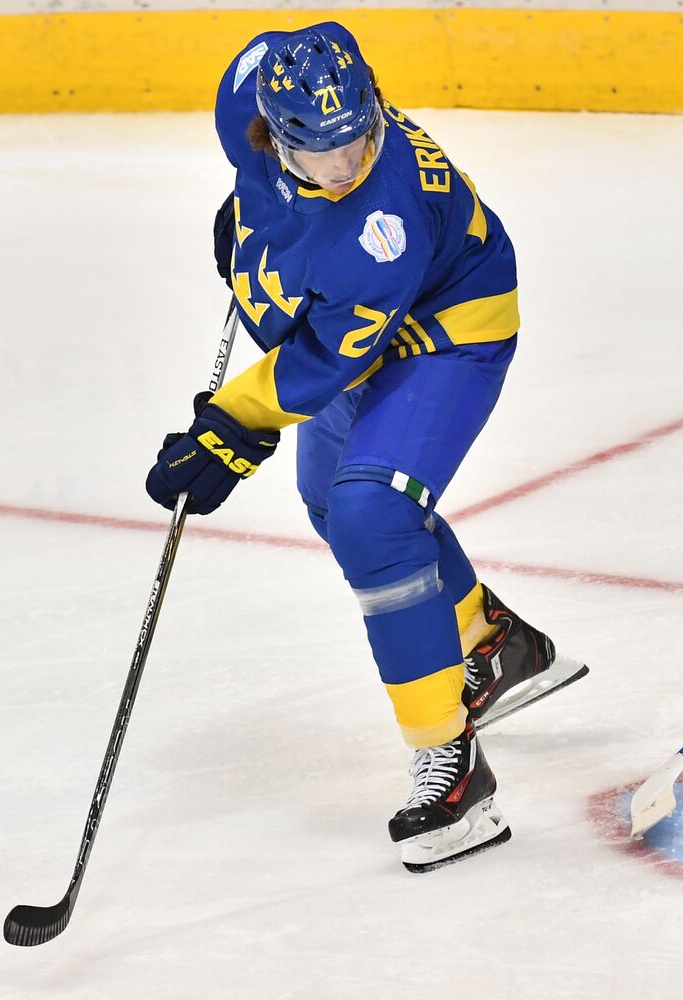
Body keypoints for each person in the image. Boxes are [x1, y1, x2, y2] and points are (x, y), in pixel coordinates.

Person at [144, 22, 587, 873]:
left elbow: (315, 362)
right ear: (271, 131)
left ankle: (453, 771)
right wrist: (246, 220)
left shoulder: (378, 227)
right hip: (371, 315)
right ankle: (490, 644)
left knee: (371, 514)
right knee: (329, 502)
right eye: (326, 154)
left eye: (361, 141)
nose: (348, 165)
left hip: (449, 327)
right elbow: (276, 49)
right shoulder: (256, 91)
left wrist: (229, 426)